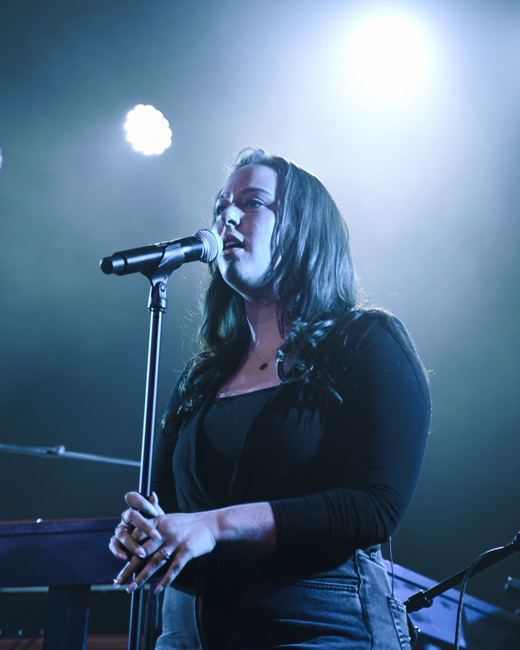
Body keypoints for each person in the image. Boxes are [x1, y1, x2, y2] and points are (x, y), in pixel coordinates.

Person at [109, 148, 431, 649]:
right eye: (220, 206)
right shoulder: (204, 374)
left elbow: (375, 507)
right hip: (189, 629)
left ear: (303, 229)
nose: (226, 217)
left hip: (315, 623)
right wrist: (148, 529)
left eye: (252, 203)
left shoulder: (366, 342)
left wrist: (217, 525)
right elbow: (167, 503)